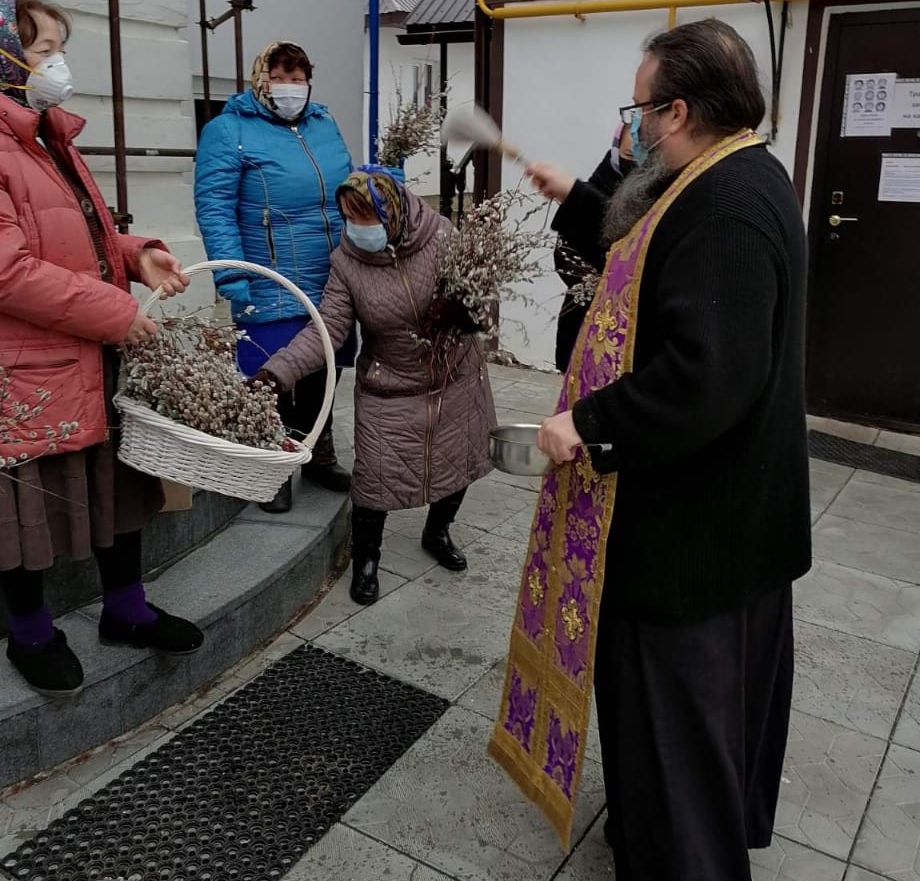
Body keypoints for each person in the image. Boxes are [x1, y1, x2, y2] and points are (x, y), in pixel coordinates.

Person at [493, 19, 811, 881]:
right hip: (726, 524)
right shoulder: (737, 175)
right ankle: (688, 871)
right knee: (704, 732)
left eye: (638, 109)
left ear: (677, 111)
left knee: (678, 732)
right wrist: (575, 198)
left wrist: (585, 428)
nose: (631, 127)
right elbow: (651, 261)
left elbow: (700, 374)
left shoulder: (726, 207)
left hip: (691, 535)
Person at [0, 0, 204, 697]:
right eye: (43, 50)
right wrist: (114, 312)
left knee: (115, 489)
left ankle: (127, 611)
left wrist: (136, 251)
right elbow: (9, 270)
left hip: (84, 350)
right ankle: (29, 634)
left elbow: (81, 233)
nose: (58, 65)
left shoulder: (49, 137)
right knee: (26, 510)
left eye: (59, 47)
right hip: (30, 366)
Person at [259, 166, 497, 606]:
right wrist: (278, 372)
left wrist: (470, 313)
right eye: (351, 217)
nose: (359, 228)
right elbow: (327, 330)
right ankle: (366, 558)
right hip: (389, 384)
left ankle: (437, 533)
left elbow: (484, 295)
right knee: (373, 480)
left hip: (455, 377)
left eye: (368, 216)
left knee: (458, 461)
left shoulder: (443, 236)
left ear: (395, 211)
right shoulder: (346, 262)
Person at [194, 40, 355, 515]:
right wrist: (232, 274)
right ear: (259, 79)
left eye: (298, 77)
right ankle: (273, 464)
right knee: (271, 375)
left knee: (326, 365)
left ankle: (318, 453)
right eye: (280, 76)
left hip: (332, 273)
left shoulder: (324, 124)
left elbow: (344, 192)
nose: (290, 87)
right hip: (269, 275)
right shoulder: (228, 130)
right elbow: (216, 207)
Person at [552, 122, 630, 372]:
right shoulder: (603, 177)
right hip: (582, 321)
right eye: (626, 140)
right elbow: (564, 250)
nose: (631, 145)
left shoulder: (654, 189)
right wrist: (596, 285)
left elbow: (632, 242)